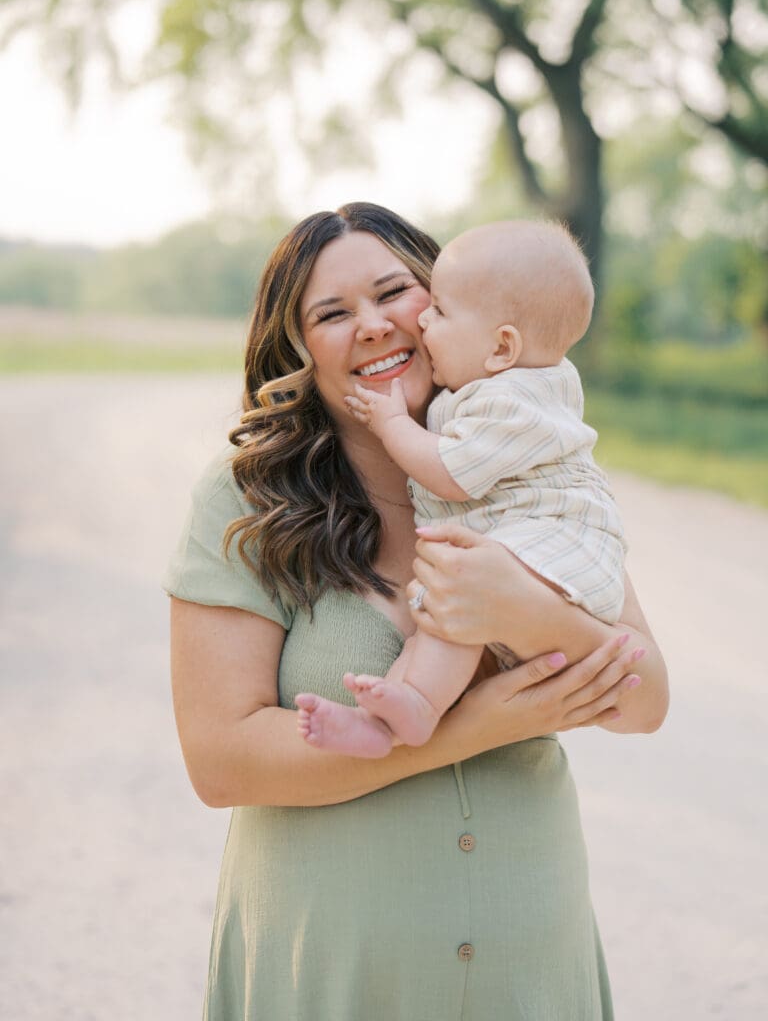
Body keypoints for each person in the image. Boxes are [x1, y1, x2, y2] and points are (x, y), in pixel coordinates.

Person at [165, 202, 668, 1020]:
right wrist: (474, 727)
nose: (372, 326)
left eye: (394, 291)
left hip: (528, 961)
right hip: (331, 970)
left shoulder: (533, 467)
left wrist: (525, 611)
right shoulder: (245, 502)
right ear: (299, 347)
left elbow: (645, 700)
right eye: (331, 313)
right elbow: (220, 761)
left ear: (445, 305)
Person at [297, 219, 627, 758]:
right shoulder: (506, 386)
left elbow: (450, 471)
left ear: (501, 348)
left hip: (551, 552)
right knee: (442, 623)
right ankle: (389, 716)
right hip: (527, 552)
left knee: (457, 613)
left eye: (437, 310)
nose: (421, 320)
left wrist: (392, 423)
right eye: (333, 313)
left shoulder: (512, 401)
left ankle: (416, 710)